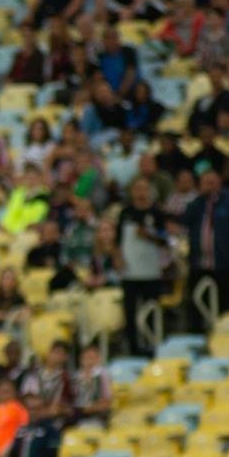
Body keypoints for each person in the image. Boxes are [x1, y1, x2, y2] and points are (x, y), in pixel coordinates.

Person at [183, 166, 229, 333]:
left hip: (224, 263)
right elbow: (185, 220)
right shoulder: (196, 204)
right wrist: (200, 197)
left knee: (225, 303)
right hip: (199, 263)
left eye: (213, 182)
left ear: (219, 183)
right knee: (196, 302)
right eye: (206, 183)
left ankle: (225, 334)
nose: (210, 186)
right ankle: (196, 334)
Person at [118, 177, 168, 355]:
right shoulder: (125, 213)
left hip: (150, 272)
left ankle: (153, 346)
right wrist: (118, 259)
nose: (140, 192)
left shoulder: (157, 213)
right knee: (130, 314)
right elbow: (117, 242)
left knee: (151, 313)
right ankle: (133, 349)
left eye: (144, 188)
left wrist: (148, 235)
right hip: (130, 273)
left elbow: (165, 240)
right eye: (137, 188)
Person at [21, 340, 75, 426]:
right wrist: (45, 404)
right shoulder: (34, 374)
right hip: (34, 416)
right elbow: (28, 399)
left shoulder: (67, 378)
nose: (58, 357)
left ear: (65, 357)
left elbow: (65, 406)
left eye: (62, 354)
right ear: (48, 353)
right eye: (56, 352)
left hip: (56, 420)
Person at [8, 393, 62, 457]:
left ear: (44, 409)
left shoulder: (51, 430)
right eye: (30, 409)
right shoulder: (20, 429)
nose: (33, 412)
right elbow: (12, 456)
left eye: (37, 409)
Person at [72, 344, 113, 427]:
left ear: (98, 359)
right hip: (78, 417)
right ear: (81, 359)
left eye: (92, 358)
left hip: (98, 417)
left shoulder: (103, 375)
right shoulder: (76, 376)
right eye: (86, 358)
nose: (89, 361)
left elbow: (107, 401)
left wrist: (90, 407)